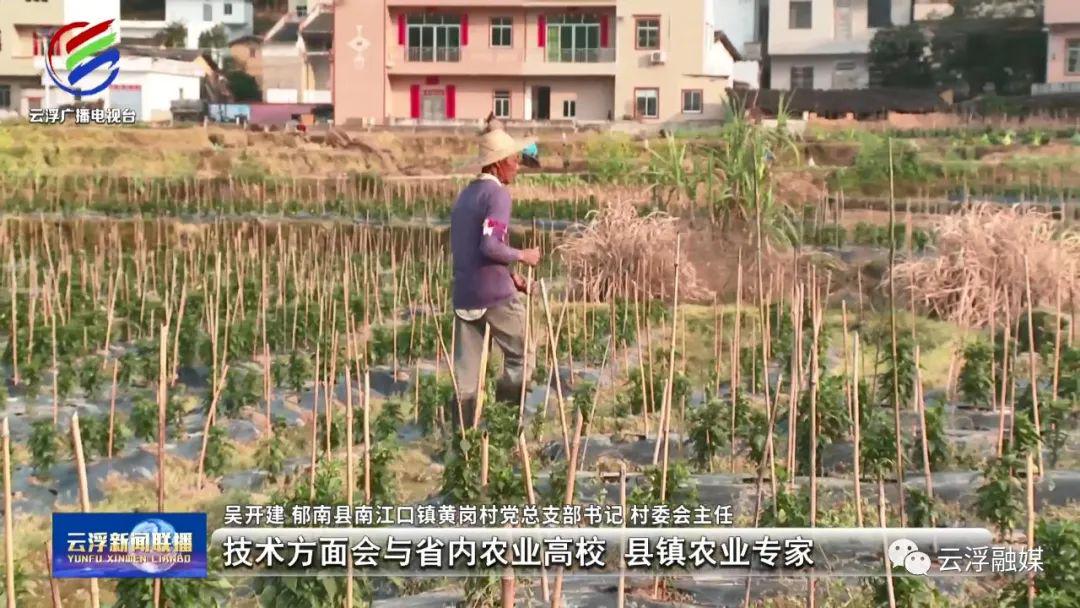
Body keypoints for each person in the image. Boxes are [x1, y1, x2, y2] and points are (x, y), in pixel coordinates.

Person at [449, 128, 542, 431]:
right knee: (523, 354)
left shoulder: (465, 196)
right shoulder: (498, 194)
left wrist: (510, 275)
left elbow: (474, 248)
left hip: (464, 295)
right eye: (514, 159)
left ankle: (462, 442)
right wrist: (523, 256)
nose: (517, 165)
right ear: (498, 163)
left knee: (466, 376)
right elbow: (490, 245)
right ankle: (504, 426)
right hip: (493, 295)